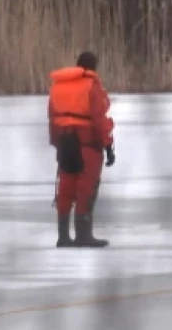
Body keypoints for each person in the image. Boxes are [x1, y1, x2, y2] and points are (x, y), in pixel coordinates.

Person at [48, 51, 116, 248]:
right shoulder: (91, 86)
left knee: (66, 188)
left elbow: (51, 117)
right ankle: (83, 235)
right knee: (86, 188)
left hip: (65, 143)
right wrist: (108, 145)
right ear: (93, 67)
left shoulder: (58, 86)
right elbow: (98, 119)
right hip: (88, 145)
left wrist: (56, 142)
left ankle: (63, 236)